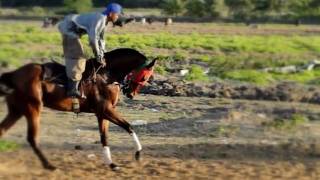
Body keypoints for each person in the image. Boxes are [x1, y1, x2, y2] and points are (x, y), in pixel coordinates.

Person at [58, 3, 122, 98]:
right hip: (68, 29)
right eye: (117, 14)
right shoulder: (100, 19)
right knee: (78, 57)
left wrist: (103, 55)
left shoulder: (104, 21)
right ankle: (72, 90)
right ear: (111, 13)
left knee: (81, 56)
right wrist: (99, 57)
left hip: (73, 30)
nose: (118, 16)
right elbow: (93, 39)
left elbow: (101, 39)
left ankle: (75, 85)